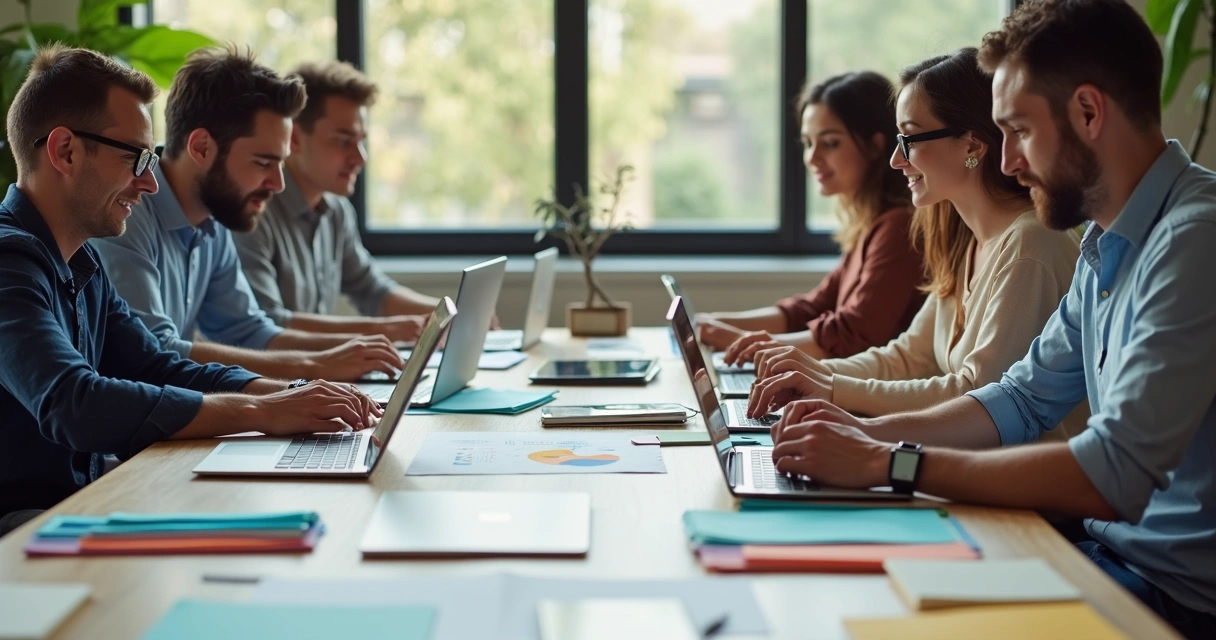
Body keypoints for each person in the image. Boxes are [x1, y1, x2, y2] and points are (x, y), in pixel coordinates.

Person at [766, 1, 1215, 636]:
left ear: (1088, 112)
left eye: (1020, 131)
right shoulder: (1109, 241)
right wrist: (868, 436)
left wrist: (890, 460)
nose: (1005, 162)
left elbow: (1113, 473)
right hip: (1104, 555)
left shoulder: (1194, 240)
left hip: (1171, 596)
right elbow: (1017, 399)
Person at [0, 46, 381, 536]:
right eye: (136, 157)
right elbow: (75, 403)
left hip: (81, 499)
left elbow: (156, 364)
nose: (150, 182)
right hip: (20, 524)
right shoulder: (9, 261)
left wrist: (291, 394)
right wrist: (259, 410)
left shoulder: (82, 260)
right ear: (65, 151)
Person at [744, 48, 1087, 442]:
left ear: (973, 146)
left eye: (909, 139)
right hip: (966, 466)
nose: (895, 160)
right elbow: (910, 357)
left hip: (1019, 494)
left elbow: (975, 395)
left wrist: (833, 388)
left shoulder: (1031, 246)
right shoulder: (967, 240)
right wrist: (815, 374)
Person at [93, 47, 403, 382]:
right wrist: (314, 366)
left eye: (280, 163)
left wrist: (344, 354)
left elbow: (249, 330)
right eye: (263, 163)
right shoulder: (126, 212)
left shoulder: (214, 217)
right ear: (201, 148)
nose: (278, 183)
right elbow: (155, 351)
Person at [697, 71, 925, 360]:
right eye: (807, 143)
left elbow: (853, 333)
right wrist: (715, 323)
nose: (812, 158)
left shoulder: (898, 226)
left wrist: (742, 341)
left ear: (875, 146)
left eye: (830, 143)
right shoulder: (870, 224)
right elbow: (811, 308)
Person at [233, 60, 439, 341]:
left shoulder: (337, 211)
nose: (361, 158)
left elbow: (372, 289)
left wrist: (448, 314)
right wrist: (386, 330)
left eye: (361, 141)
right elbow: (267, 322)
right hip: (280, 381)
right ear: (294, 139)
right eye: (343, 141)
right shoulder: (254, 213)